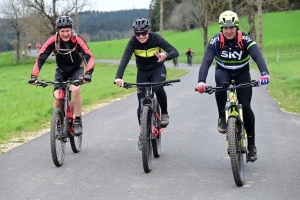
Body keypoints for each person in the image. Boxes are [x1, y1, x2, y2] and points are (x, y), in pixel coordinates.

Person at [196, 11, 270, 162]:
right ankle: (222, 116)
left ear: (236, 27)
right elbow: (206, 61)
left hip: (242, 73)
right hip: (223, 71)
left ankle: (251, 145)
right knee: (221, 85)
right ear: (221, 28)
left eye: (231, 27)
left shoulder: (245, 39)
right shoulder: (215, 41)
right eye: (225, 28)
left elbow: (257, 56)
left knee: (246, 107)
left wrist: (264, 73)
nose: (229, 31)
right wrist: (201, 81)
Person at [114, 18, 179, 150]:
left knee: (157, 86)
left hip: (157, 69)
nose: (141, 36)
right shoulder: (133, 42)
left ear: (148, 31)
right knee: (142, 102)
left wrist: (165, 56)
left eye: (144, 33)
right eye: (138, 34)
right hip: (142, 72)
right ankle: (143, 134)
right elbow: (125, 58)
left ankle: (164, 113)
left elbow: (175, 52)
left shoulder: (156, 38)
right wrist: (118, 77)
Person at [28, 16, 95, 136]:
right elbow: (41, 57)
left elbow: (89, 56)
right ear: (58, 30)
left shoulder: (77, 39)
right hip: (61, 71)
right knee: (58, 97)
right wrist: (34, 76)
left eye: (67, 31)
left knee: (75, 89)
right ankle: (58, 122)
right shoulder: (53, 41)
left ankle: (78, 120)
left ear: (71, 29)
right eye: (62, 31)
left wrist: (88, 73)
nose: (65, 34)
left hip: (76, 70)